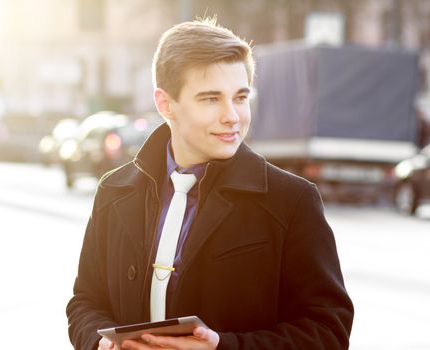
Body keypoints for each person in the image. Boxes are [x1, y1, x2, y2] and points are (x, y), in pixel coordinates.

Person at [66, 18, 354, 350]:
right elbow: (85, 302)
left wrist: (223, 347)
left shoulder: (292, 201)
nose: (232, 115)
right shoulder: (114, 191)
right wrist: (102, 344)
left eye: (241, 97)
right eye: (210, 99)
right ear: (165, 104)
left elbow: (328, 332)